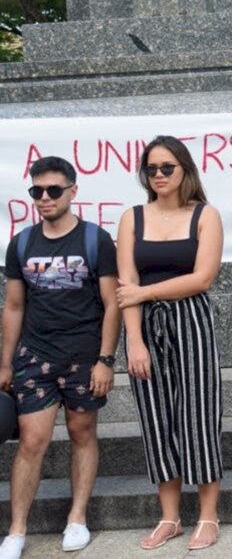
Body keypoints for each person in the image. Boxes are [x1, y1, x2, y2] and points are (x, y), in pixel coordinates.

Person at [0, 157, 119, 559]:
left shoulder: (95, 240)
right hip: (35, 355)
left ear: (72, 191)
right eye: (37, 191)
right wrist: (5, 362)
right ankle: (16, 530)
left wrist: (106, 358)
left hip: (84, 355)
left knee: (82, 433)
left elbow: (111, 303)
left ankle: (77, 518)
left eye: (53, 190)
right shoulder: (21, 243)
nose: (45, 198)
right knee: (32, 440)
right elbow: (14, 306)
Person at [115, 136, 224, 551]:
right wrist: (135, 343)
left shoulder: (205, 215)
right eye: (151, 168)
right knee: (155, 418)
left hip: (191, 319)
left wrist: (146, 294)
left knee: (198, 413)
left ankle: (208, 515)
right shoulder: (132, 218)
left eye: (167, 167)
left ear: (185, 170)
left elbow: (202, 278)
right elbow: (127, 282)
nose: (158, 175)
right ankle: (170, 517)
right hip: (144, 324)